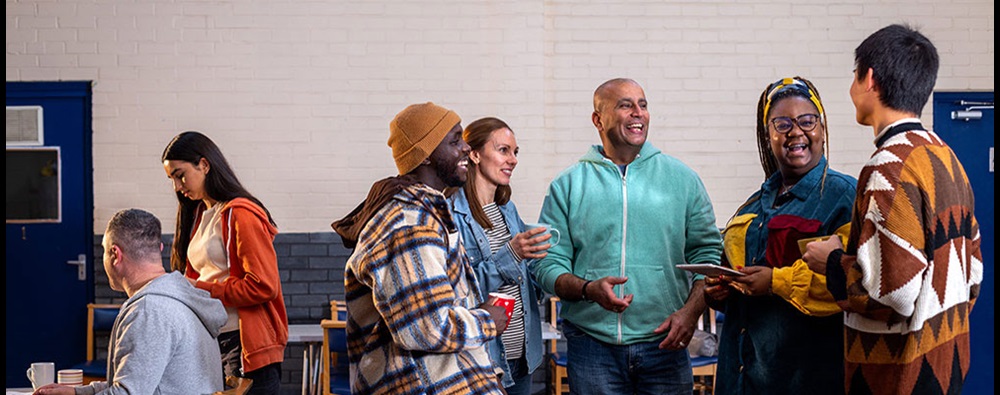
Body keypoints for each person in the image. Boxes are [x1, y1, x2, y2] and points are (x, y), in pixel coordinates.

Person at [804, 24, 983, 395]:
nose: (852, 90)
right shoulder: (946, 158)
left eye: (854, 77)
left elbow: (893, 295)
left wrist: (832, 262)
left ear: (869, 79)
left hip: (899, 377)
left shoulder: (889, 167)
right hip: (945, 368)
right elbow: (974, 275)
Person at [533, 78, 723, 394]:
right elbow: (547, 265)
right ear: (598, 119)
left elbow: (708, 255)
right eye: (625, 105)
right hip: (591, 346)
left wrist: (690, 314)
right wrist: (588, 289)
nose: (638, 113)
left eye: (643, 104)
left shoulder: (683, 180)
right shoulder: (567, 185)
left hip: (666, 344)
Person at [331, 102, 509, 394]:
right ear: (425, 155)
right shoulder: (407, 226)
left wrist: (492, 376)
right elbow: (426, 328)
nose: (466, 148)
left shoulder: (429, 214)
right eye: (454, 140)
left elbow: (450, 308)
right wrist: (488, 320)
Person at [704, 77, 857, 394]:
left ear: (822, 129)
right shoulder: (751, 208)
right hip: (742, 376)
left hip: (804, 379)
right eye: (782, 124)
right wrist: (720, 291)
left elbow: (852, 283)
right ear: (767, 135)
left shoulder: (844, 198)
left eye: (807, 121)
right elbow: (738, 282)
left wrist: (776, 282)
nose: (796, 132)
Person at [34, 209, 227, 395]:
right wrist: (78, 392)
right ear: (160, 248)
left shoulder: (149, 311)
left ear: (115, 255)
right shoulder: (179, 298)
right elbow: (136, 384)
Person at [161, 131, 288, 395]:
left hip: (245, 345)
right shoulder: (200, 215)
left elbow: (263, 286)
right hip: (215, 341)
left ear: (204, 165)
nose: (177, 187)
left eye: (180, 175)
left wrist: (201, 288)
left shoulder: (240, 213)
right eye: (171, 179)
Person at [449, 117, 550, 395]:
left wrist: (550, 268)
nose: (513, 159)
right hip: (484, 360)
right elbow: (459, 287)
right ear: (475, 154)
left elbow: (524, 280)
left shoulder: (507, 210)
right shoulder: (451, 214)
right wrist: (513, 253)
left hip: (523, 357)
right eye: (503, 150)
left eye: (515, 152)